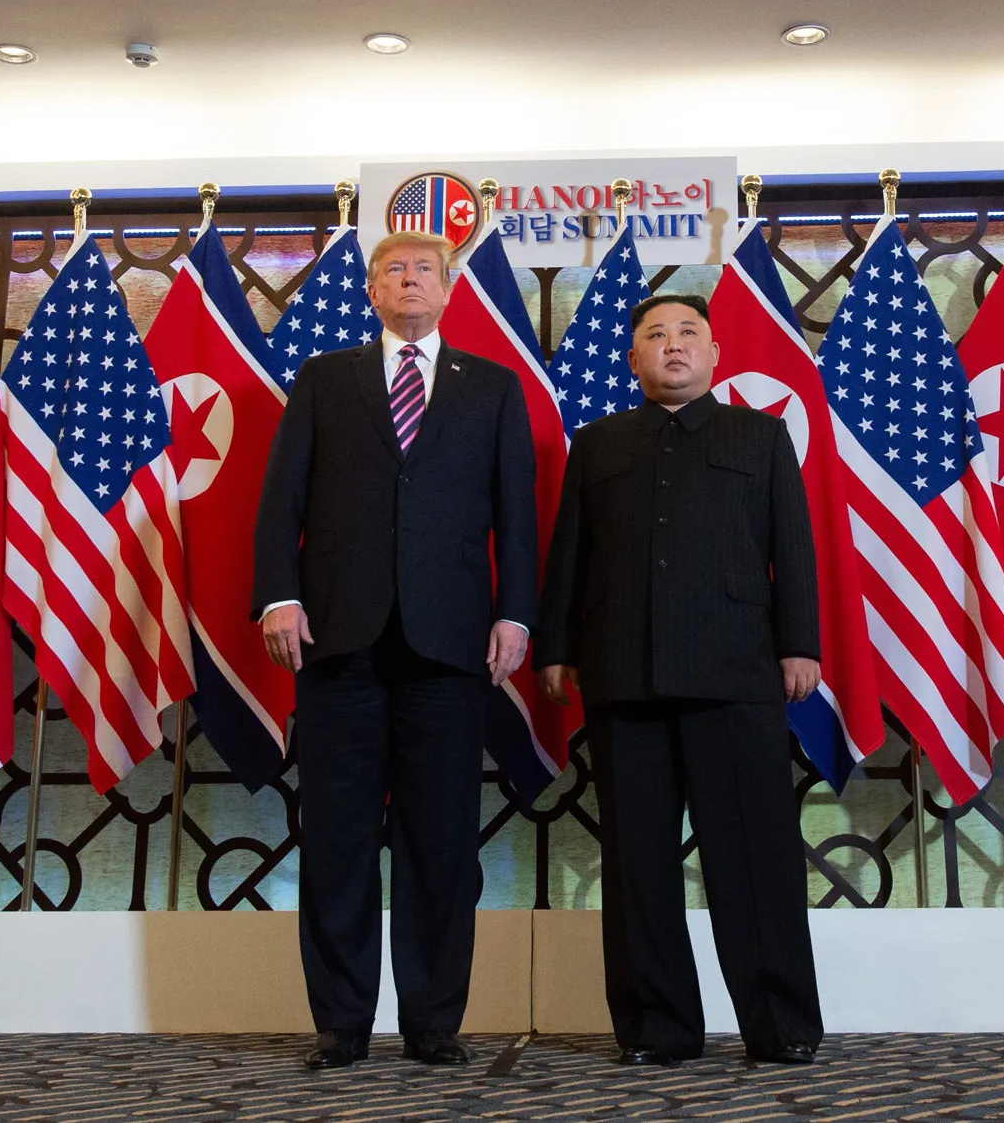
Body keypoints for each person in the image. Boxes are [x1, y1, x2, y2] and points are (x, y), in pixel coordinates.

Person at [252, 230, 538, 1069]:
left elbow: (517, 514)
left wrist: (516, 616)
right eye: (393, 270)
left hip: (450, 645)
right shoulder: (323, 378)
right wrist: (279, 595)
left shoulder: (493, 386)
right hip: (339, 639)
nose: (409, 280)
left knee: (440, 841)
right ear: (372, 290)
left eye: (424, 270)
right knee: (336, 836)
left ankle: (433, 1022)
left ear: (448, 290)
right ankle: (341, 1023)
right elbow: (281, 498)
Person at [535, 292, 823, 1067]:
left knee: (754, 857)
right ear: (633, 358)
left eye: (688, 333)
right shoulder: (597, 442)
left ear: (714, 353)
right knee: (638, 862)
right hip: (623, 672)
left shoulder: (760, 436)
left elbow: (792, 547)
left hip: (736, 672)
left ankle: (782, 1025)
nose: (672, 345)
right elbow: (570, 551)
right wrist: (556, 646)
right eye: (655, 335)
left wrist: (800, 644)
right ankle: (657, 1028)